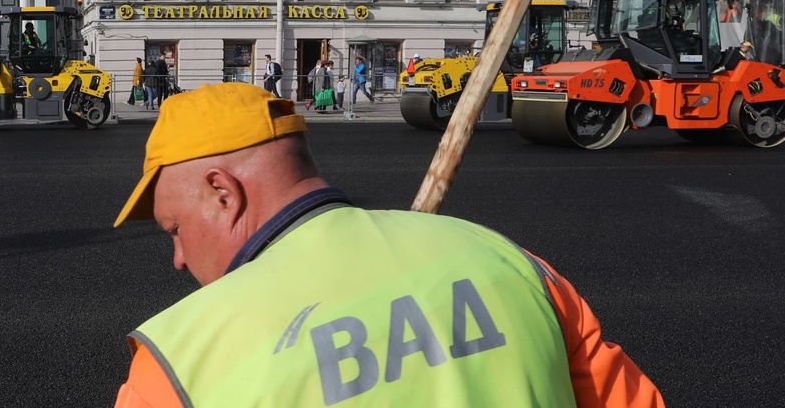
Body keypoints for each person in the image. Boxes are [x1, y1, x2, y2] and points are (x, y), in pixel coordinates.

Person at [111, 82, 665, 407]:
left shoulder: (180, 365)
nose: (178, 259)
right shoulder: (513, 265)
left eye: (174, 230)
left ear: (222, 194)